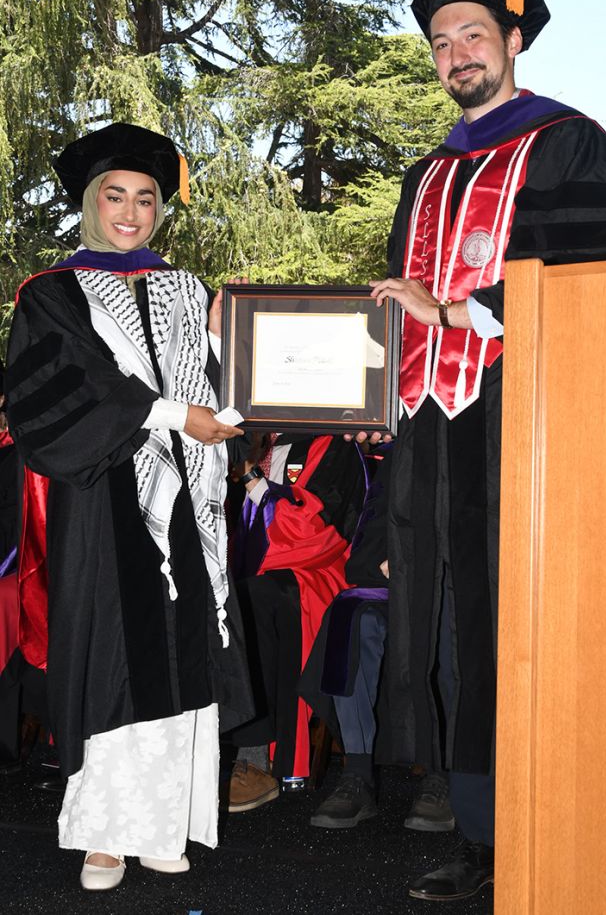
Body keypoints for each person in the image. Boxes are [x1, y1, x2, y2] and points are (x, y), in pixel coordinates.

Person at [365, 0, 606, 901]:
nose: (456, 54)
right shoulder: (426, 172)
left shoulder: (567, 144)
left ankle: (541, 826)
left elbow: (592, 282)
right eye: (441, 42)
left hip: (520, 418)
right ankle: (476, 830)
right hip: (430, 433)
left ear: (515, 40)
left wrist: (459, 307)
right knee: (442, 627)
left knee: (509, 621)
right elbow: (403, 308)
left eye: (474, 34)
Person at [4, 123, 253, 890]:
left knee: (182, 657)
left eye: (146, 198)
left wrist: (227, 344)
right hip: (104, 500)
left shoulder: (186, 288)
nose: (131, 211)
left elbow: (223, 384)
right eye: (115, 194)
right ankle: (105, 834)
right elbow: (68, 391)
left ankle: (162, 823)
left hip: (189, 504)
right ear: (90, 202)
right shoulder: (50, 293)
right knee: (113, 657)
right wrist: (177, 417)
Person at [303, 445, 455, 833]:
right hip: (391, 586)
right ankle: (358, 773)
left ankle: (443, 773)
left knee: (443, 624)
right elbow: (371, 541)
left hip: (451, 585)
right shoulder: (404, 448)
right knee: (350, 616)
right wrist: (390, 561)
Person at [225, 431, 367, 811]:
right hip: (241, 571)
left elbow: (316, 533)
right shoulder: (239, 437)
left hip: (313, 577)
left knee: (258, 597)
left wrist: (251, 477)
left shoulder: (332, 444)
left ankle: (253, 757)